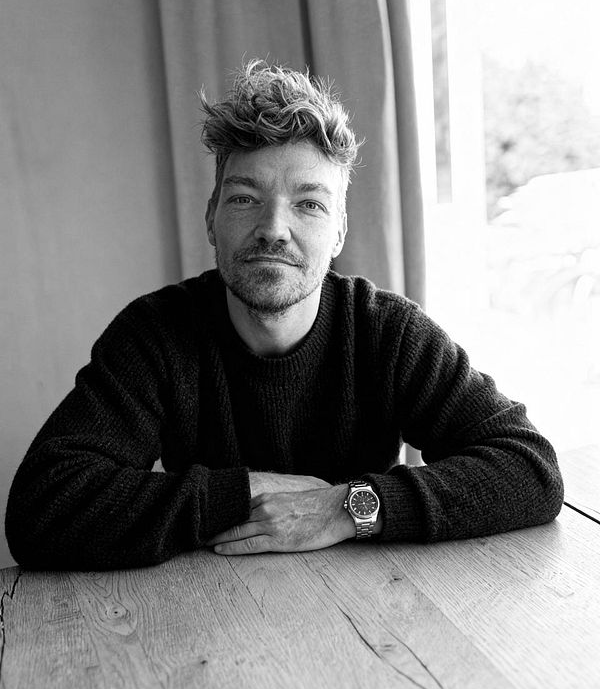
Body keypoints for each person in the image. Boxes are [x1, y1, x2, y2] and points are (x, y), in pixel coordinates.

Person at [6, 60, 563, 570]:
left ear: (339, 230)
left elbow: (530, 469)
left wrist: (343, 508)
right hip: (203, 623)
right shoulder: (157, 335)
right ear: (211, 218)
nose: (274, 228)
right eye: (245, 197)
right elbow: (42, 508)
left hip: (377, 617)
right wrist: (244, 493)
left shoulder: (386, 332)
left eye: (309, 203)